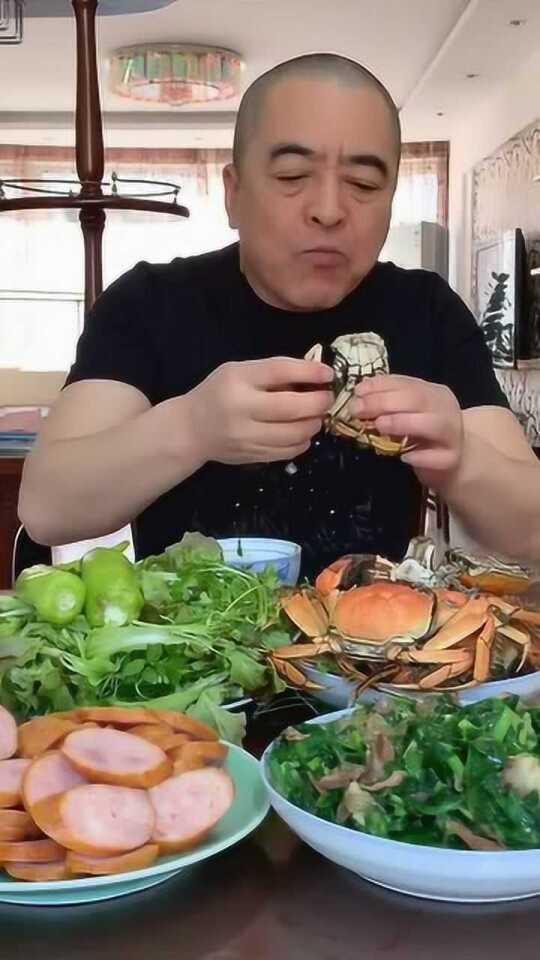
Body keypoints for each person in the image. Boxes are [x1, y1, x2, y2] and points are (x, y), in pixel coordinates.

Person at [18, 53, 540, 580]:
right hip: (193, 631)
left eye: (363, 184)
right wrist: (192, 427)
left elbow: (532, 532)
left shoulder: (427, 309)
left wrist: (460, 457)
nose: (329, 210)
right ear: (234, 193)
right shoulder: (150, 302)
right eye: (292, 175)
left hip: (374, 630)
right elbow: (46, 509)